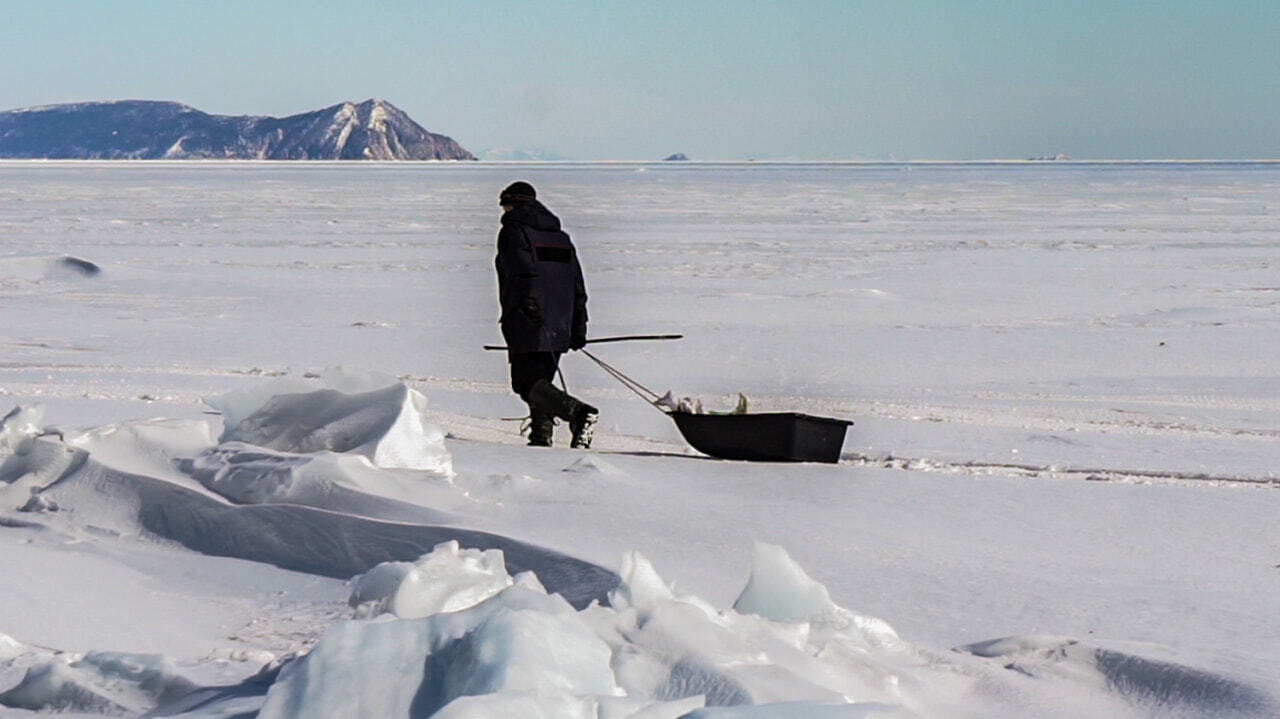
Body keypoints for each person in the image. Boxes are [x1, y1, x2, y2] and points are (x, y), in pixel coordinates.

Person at [494, 181, 597, 448]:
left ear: (512, 204)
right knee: (541, 382)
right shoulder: (561, 237)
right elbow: (577, 285)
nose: (503, 210)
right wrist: (577, 328)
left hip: (529, 320)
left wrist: (527, 310)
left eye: (505, 204)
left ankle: (578, 413)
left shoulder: (513, 231)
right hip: (560, 321)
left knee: (526, 383)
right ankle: (540, 439)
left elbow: (520, 275)